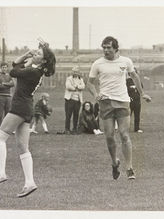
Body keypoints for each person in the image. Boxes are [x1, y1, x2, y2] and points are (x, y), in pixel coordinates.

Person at [0, 40, 56, 198]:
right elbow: (15, 64)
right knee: (22, 147)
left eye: (39, 54)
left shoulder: (33, 72)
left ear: (43, 61)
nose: (35, 54)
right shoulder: (34, 70)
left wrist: (28, 59)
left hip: (20, 107)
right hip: (26, 108)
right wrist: (27, 55)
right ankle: (30, 182)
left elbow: (13, 71)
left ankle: (1, 173)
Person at [87, 36, 151, 180]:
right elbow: (90, 83)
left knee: (124, 134)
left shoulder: (126, 61)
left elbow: (134, 77)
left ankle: (129, 168)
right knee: (109, 136)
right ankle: (114, 162)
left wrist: (142, 93)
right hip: (106, 102)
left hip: (123, 101)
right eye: (104, 47)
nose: (106, 50)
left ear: (116, 48)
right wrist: (96, 95)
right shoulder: (98, 63)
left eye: (109, 47)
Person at [63, 66, 85, 134]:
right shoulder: (69, 78)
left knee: (76, 115)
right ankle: (67, 129)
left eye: (76, 72)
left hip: (78, 100)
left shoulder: (81, 79)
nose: (75, 73)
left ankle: (74, 129)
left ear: (79, 73)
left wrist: (77, 86)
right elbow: (68, 86)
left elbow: (83, 86)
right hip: (70, 99)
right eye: (74, 71)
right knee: (68, 115)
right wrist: (76, 88)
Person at [0, 62, 14, 134]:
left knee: (7, 115)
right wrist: (8, 84)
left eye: (6, 67)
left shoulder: (9, 76)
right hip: (0, 97)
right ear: (1, 68)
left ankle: (6, 131)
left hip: (8, 97)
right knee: (0, 115)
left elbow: (13, 84)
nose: (4, 69)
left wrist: (4, 83)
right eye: (3, 67)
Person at [126, 67, 143, 133]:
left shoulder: (138, 81)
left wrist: (135, 88)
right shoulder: (127, 81)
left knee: (137, 115)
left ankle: (137, 128)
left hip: (137, 100)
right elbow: (126, 89)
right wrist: (133, 88)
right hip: (130, 100)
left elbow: (141, 89)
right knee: (128, 115)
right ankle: (126, 128)